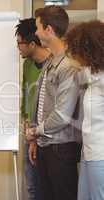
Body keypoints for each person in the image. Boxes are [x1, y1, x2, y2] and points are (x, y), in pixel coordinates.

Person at [26, 5, 81, 200]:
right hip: (45, 146)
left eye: (38, 27)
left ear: (49, 30)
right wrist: (35, 138)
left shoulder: (69, 65)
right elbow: (40, 101)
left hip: (61, 149)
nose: (36, 32)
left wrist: (35, 131)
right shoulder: (50, 61)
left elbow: (62, 115)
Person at [66, 20, 104, 200]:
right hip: (88, 153)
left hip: (100, 155)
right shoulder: (93, 74)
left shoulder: (101, 80)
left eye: (77, 51)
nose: (75, 57)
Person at [15, 18, 50, 200]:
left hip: (47, 136)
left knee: (46, 187)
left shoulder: (53, 65)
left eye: (20, 43)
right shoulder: (28, 64)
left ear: (32, 43)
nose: (18, 47)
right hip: (29, 133)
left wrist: (36, 134)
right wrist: (25, 121)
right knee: (31, 187)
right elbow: (25, 94)